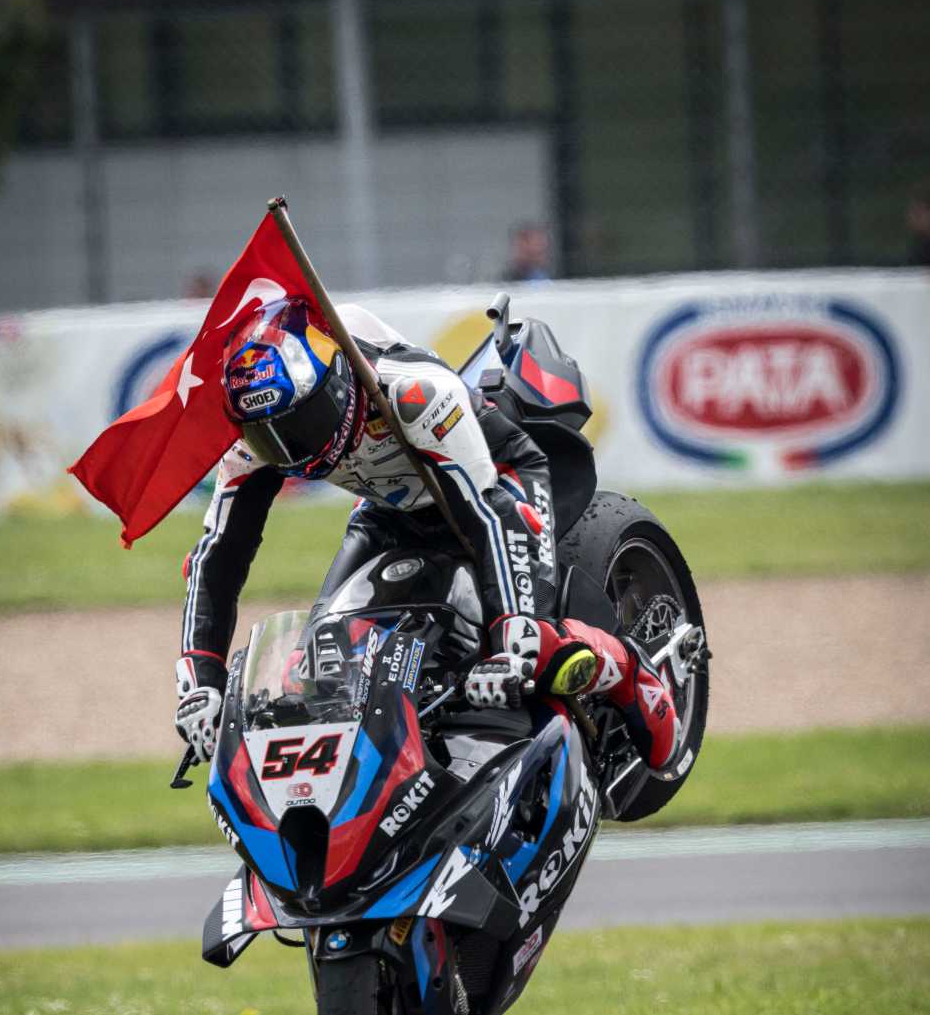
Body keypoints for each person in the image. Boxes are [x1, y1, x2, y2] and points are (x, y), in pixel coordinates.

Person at [174, 298, 678, 770]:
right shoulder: (251, 444)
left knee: (528, 644)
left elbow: (489, 514)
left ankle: (630, 673)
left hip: (498, 483)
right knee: (316, 670)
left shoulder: (416, 394)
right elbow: (216, 559)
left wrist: (512, 631)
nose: (289, 450)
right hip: (390, 508)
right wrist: (201, 680)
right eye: (268, 437)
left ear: (337, 386)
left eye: (300, 425)